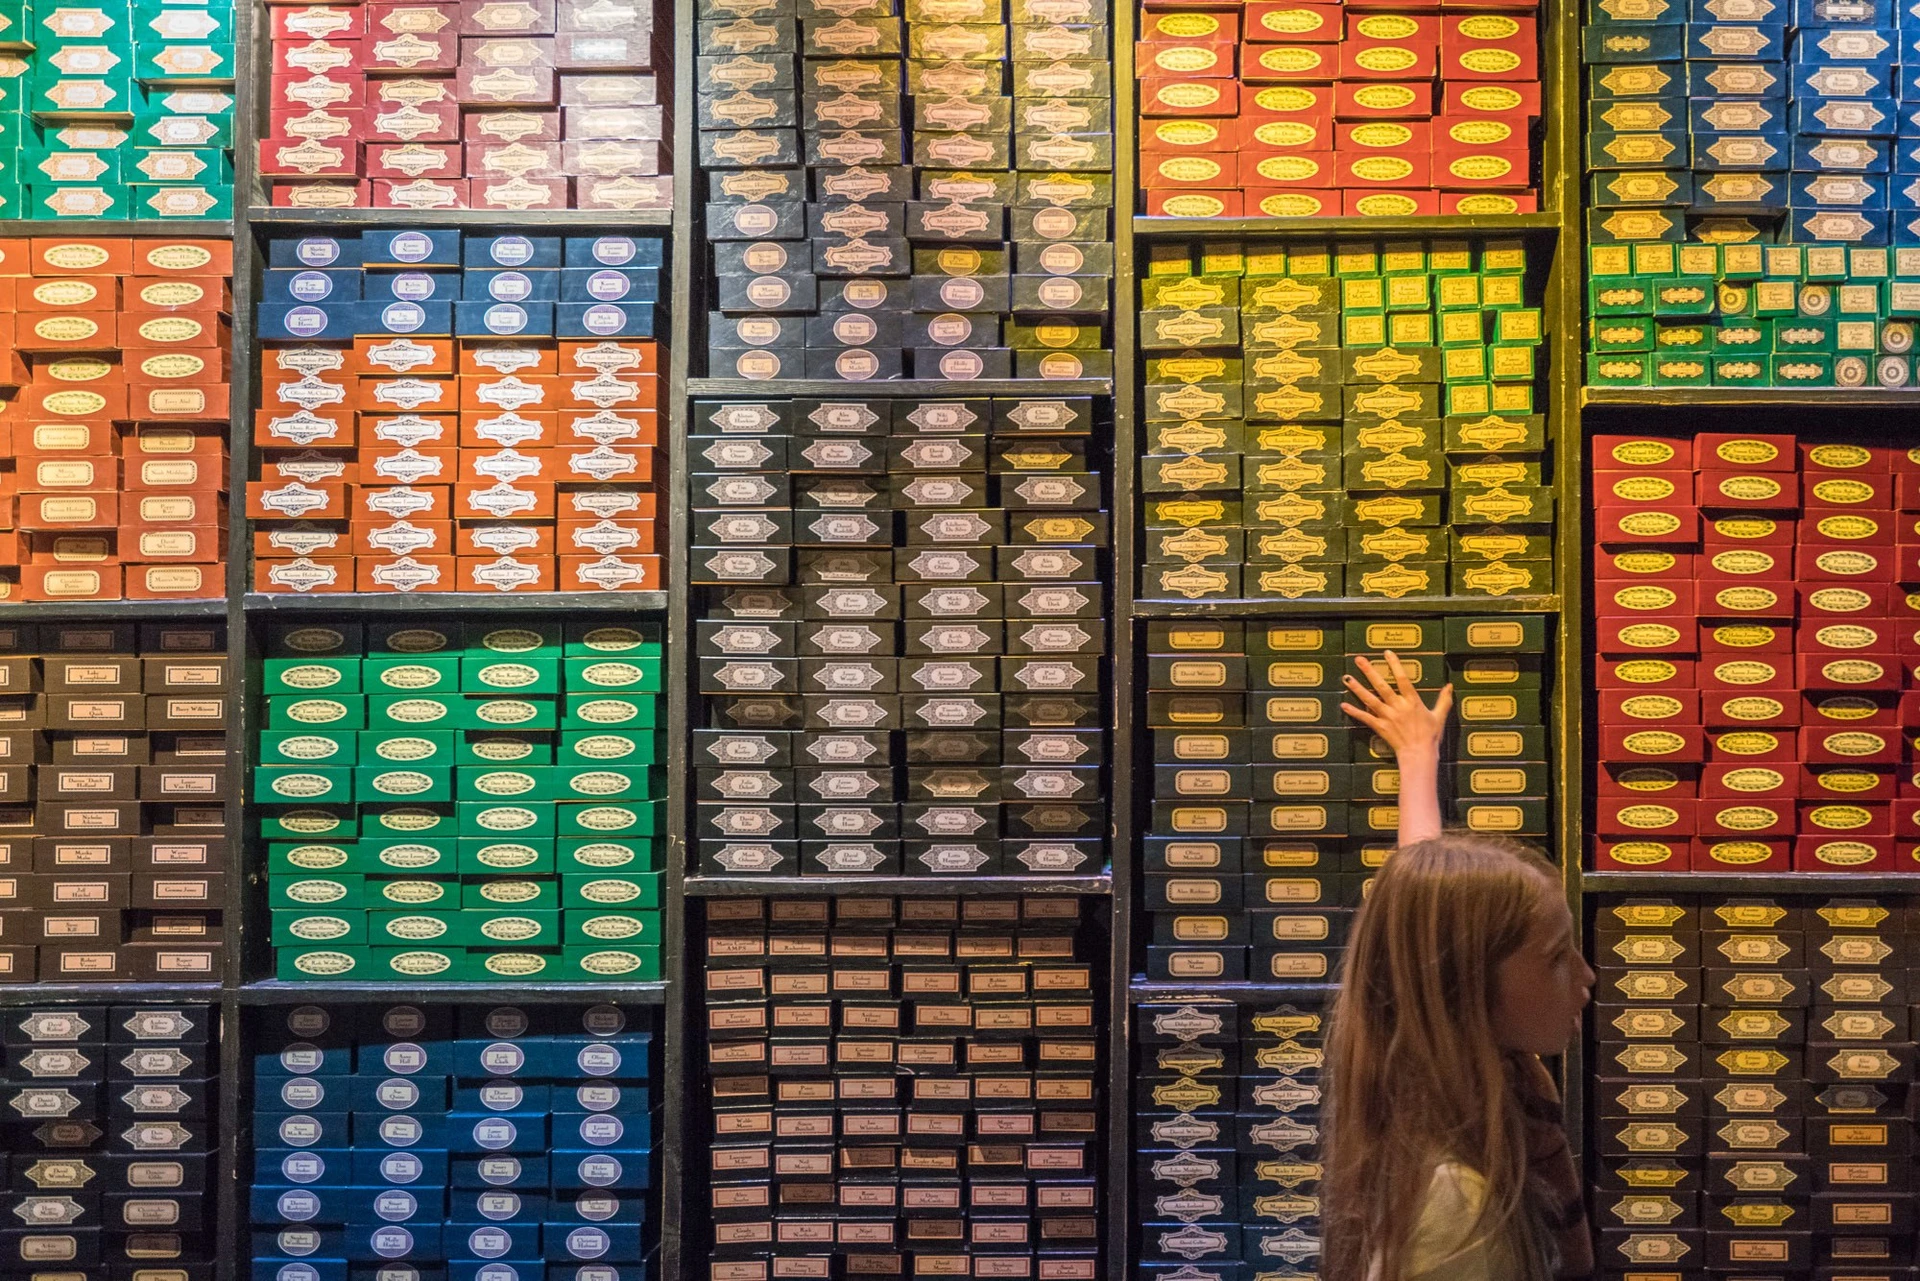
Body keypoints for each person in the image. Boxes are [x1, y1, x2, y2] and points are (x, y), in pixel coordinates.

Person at [1323, 651, 1595, 1281]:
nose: (1587, 977)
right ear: (1467, 984)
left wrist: (1418, 763)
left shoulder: (1441, 1084)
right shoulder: (1456, 1206)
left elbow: (1429, 923)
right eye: (1557, 956)